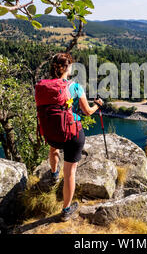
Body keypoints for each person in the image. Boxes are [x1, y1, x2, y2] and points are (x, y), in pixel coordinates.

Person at [47, 53, 103, 222]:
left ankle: (53, 174)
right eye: (70, 66)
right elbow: (87, 112)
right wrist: (97, 105)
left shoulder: (44, 85)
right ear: (67, 68)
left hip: (52, 133)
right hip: (72, 133)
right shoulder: (76, 87)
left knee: (53, 148)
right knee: (70, 172)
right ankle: (66, 210)